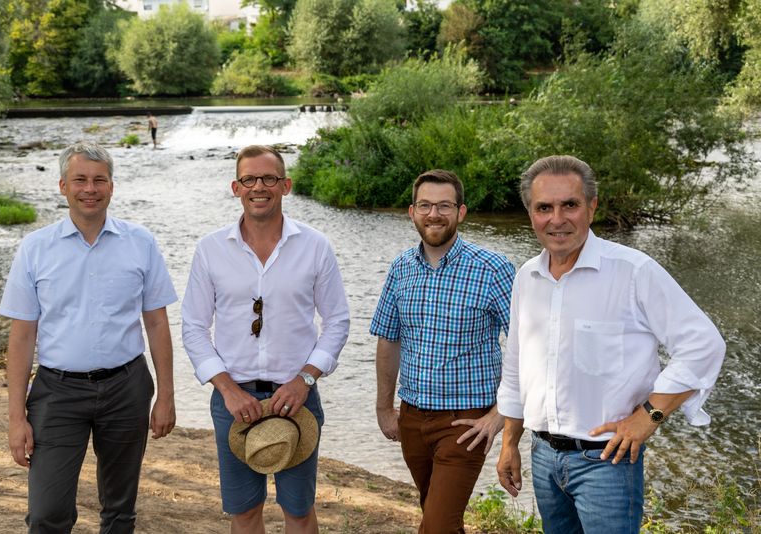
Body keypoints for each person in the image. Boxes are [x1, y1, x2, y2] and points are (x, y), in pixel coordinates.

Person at [496, 155, 726, 533]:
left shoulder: (634, 272)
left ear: (592, 206)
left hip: (606, 461)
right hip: (543, 458)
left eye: (570, 204)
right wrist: (509, 443)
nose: (557, 219)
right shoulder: (527, 278)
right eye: (544, 208)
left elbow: (703, 345)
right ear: (530, 213)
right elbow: (517, 365)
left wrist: (649, 416)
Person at [0, 141, 178, 533]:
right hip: (57, 393)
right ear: (63, 186)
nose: (90, 188)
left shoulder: (141, 242)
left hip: (127, 387)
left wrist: (166, 395)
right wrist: (16, 417)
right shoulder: (35, 249)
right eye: (80, 179)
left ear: (112, 187)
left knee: (119, 509)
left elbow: (157, 323)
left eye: (99, 180)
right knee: (48, 512)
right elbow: (22, 335)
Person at [181, 144, 350, 534]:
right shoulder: (209, 250)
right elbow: (193, 327)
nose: (260, 187)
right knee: (244, 512)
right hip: (233, 401)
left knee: (299, 511)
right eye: (249, 179)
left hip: (297, 400)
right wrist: (227, 389)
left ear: (285, 185)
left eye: (269, 178)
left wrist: (304, 379)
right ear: (236, 187)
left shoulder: (315, 246)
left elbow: (337, 321)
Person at [370, 169, 515, 534]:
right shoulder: (401, 268)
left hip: (466, 423)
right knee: (438, 515)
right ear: (412, 211)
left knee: (436, 526)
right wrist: (384, 407)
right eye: (426, 205)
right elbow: (388, 339)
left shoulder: (493, 269)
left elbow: (527, 347)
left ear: (461, 212)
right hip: (413, 420)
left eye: (444, 206)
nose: (434, 214)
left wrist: (500, 415)